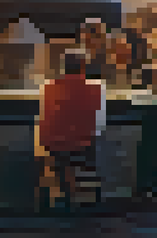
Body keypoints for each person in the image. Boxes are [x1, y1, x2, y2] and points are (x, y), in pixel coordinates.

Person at [38, 51, 106, 211]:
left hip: (54, 145)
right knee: (99, 145)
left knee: (59, 159)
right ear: (83, 67)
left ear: (63, 67)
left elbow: (45, 117)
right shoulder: (96, 88)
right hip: (83, 144)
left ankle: (63, 193)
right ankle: (89, 196)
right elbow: (100, 123)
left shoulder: (49, 87)